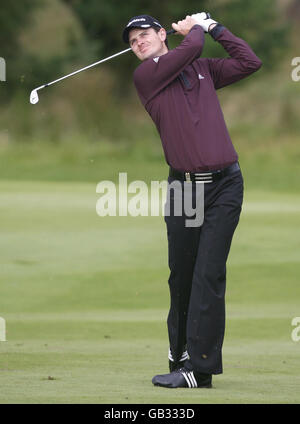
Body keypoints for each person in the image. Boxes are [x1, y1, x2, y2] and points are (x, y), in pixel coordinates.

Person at [122, 12, 262, 389]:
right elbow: (192, 45)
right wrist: (198, 27)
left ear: (161, 33)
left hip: (224, 187)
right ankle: (179, 354)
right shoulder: (146, 76)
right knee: (181, 277)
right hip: (183, 191)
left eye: (144, 34)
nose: (138, 43)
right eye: (132, 41)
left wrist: (215, 27)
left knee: (208, 274)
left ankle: (200, 371)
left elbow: (250, 61)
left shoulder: (202, 70)